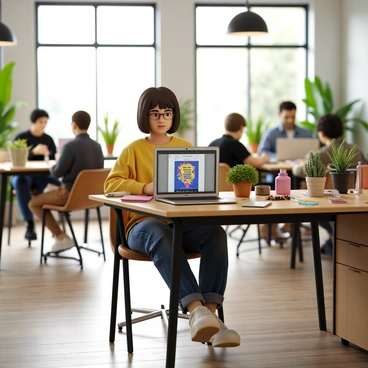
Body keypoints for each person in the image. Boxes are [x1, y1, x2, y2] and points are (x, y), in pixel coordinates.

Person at [104, 86, 240, 348]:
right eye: (155, 113)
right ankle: (196, 309)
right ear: (145, 117)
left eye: (167, 113)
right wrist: (145, 188)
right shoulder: (132, 150)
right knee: (159, 231)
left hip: (179, 224)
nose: (161, 118)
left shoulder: (185, 147)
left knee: (215, 232)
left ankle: (210, 316)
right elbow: (110, 186)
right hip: (140, 228)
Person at [29, 110, 104, 253]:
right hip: (92, 198)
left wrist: (53, 164)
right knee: (50, 191)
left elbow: (57, 173)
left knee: (33, 203)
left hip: (69, 195)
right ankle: (62, 237)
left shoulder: (70, 147)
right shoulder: (97, 146)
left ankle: (62, 237)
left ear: (74, 125)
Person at [292, 113, 367, 255]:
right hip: (358, 203)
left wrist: (295, 165)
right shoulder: (356, 150)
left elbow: (301, 171)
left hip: (331, 205)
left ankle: (332, 241)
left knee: (313, 206)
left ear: (321, 133)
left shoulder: (322, 154)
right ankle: (333, 243)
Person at [10, 109, 61, 241]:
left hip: (41, 176)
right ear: (33, 122)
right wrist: (33, 152)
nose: (43, 124)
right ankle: (29, 224)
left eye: (45, 122)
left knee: (59, 183)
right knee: (21, 182)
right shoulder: (21, 137)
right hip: (23, 175)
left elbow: (54, 160)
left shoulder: (48, 139)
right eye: (40, 122)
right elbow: (13, 160)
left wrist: (48, 156)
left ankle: (55, 225)